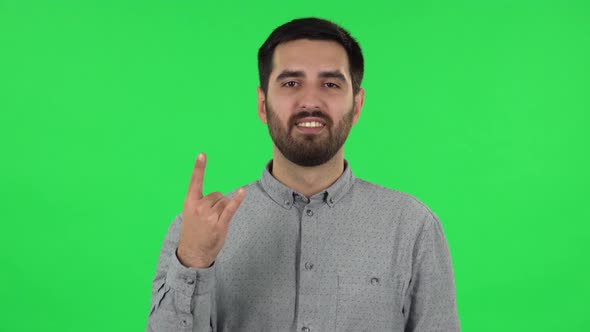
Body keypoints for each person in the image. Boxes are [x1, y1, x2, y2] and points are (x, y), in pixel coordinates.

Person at [146, 17, 460, 332]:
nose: (310, 101)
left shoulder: (413, 227)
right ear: (262, 104)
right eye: (291, 83)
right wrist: (194, 261)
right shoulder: (198, 229)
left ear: (358, 105)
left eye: (330, 84)